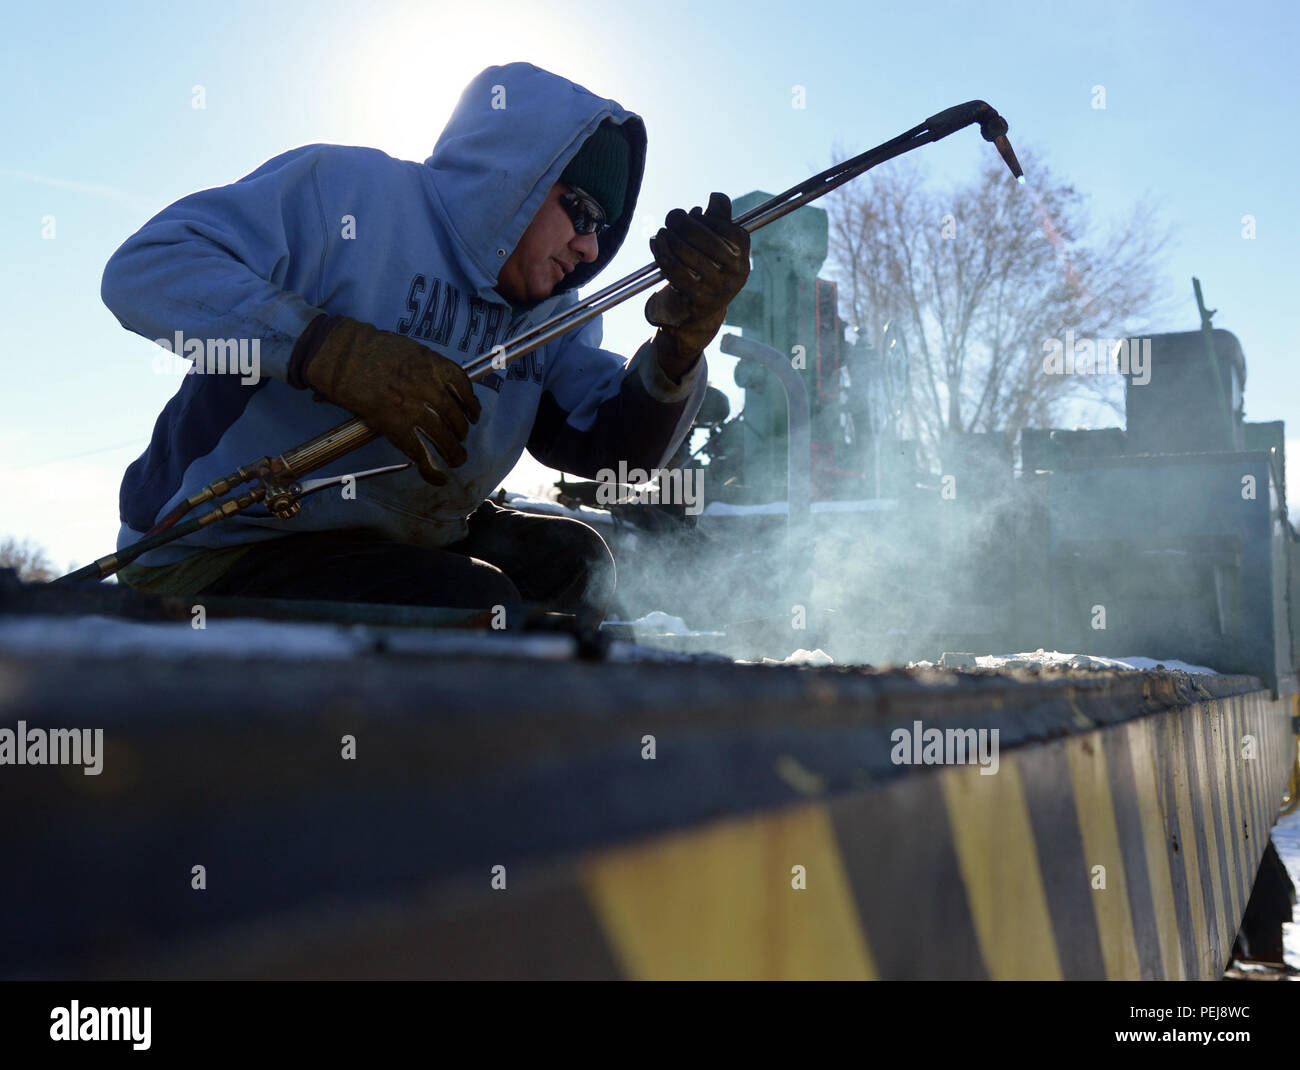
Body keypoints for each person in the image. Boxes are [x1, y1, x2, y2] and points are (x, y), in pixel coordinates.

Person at [100, 62, 749, 623]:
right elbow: (147, 268)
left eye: (602, 228)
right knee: (469, 601)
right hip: (223, 544)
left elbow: (619, 459)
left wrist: (681, 348)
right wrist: (331, 350)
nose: (589, 245)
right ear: (515, 181)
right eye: (578, 210)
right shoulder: (346, 194)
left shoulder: (556, 313)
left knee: (575, 565)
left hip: (406, 539)